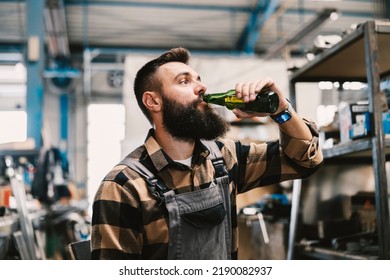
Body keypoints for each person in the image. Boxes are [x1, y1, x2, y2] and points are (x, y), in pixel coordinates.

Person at [91, 47, 323, 260]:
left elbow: (305, 160)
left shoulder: (224, 158)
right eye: (184, 81)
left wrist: (281, 109)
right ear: (153, 101)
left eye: (199, 80)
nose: (202, 88)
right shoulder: (123, 186)